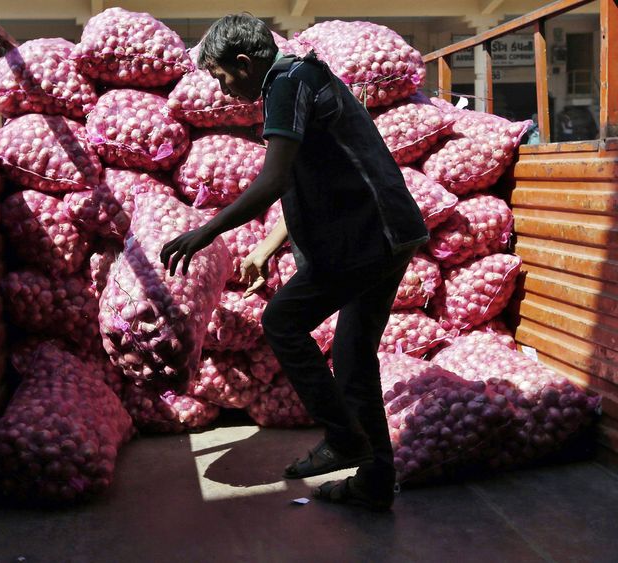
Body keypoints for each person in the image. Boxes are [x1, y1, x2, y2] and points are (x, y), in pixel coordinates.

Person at [160, 14, 429, 512]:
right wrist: (264, 249)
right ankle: (373, 480)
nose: (222, 89)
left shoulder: (285, 84)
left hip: (370, 239)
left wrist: (205, 230)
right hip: (390, 235)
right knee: (352, 360)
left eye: (221, 76)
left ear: (244, 63)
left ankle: (347, 442)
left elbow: (274, 180)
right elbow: (309, 178)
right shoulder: (305, 78)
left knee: (283, 321)